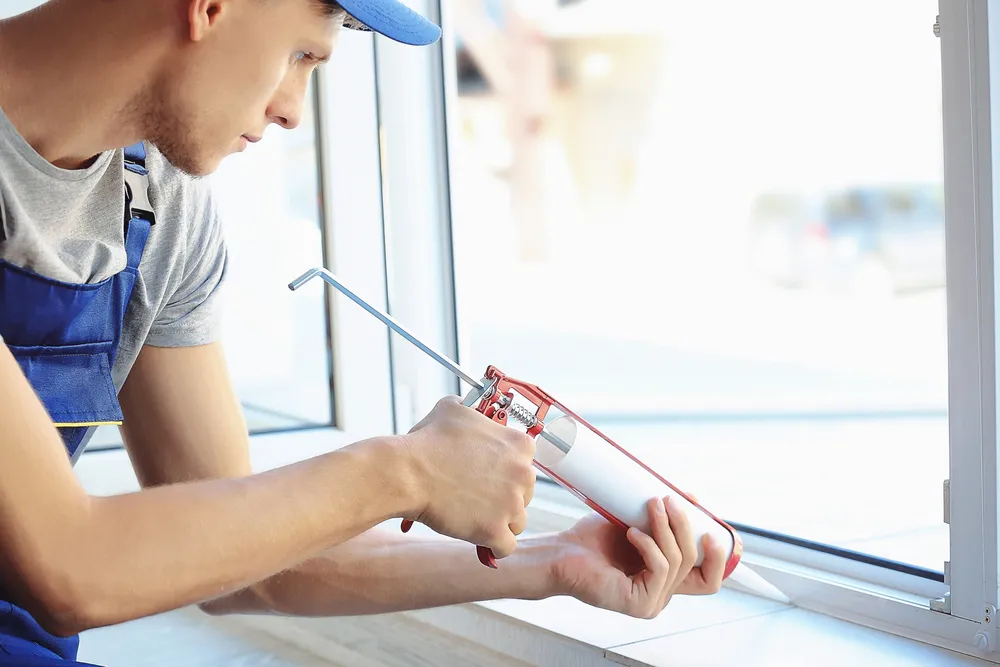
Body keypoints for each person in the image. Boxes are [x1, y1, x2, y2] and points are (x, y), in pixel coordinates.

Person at [0, 0, 728, 664]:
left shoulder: (159, 209)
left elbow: (246, 564)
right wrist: (403, 471)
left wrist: (552, 563)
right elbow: (70, 565)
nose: (293, 112)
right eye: (303, 55)